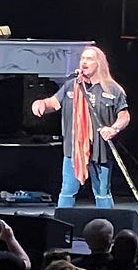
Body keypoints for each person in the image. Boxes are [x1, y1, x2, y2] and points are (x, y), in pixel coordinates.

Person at [32, 45, 131, 208]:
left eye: (89, 58)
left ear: (99, 63)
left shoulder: (113, 89)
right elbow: (53, 102)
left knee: (102, 191)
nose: (84, 62)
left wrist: (114, 129)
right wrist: (41, 103)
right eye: (82, 58)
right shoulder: (72, 86)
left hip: (100, 150)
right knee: (67, 190)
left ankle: (107, 227)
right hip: (74, 149)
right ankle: (60, 226)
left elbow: (124, 116)